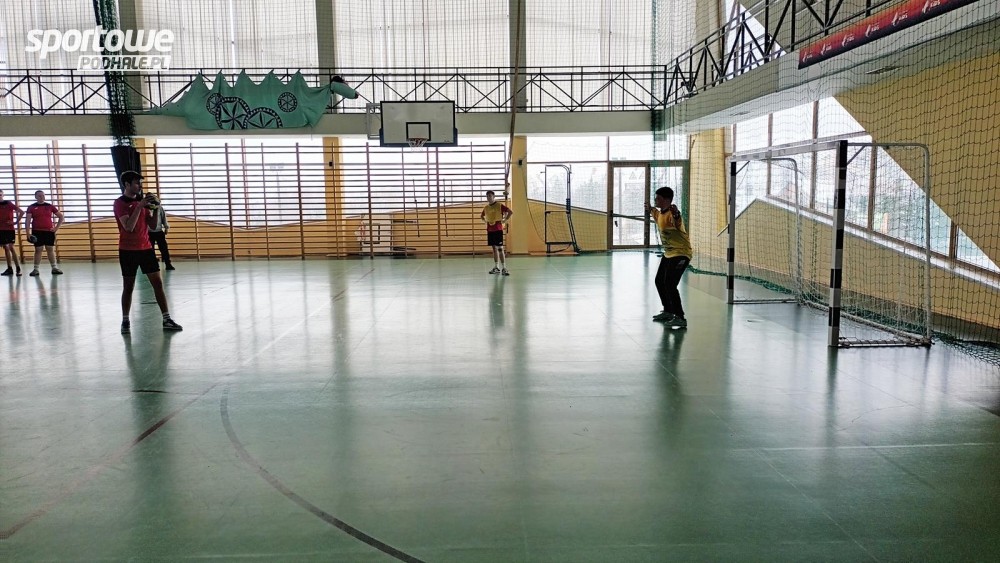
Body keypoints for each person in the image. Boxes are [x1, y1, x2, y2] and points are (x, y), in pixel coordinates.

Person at [115, 171, 183, 334]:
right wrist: (139, 206)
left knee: (158, 284)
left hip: (145, 248)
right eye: (136, 183)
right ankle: (125, 320)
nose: (140, 186)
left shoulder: (141, 202)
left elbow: (152, 225)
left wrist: (156, 208)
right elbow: (129, 227)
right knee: (128, 286)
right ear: (127, 184)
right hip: (128, 250)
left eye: (140, 183)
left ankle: (166, 319)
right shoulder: (120, 203)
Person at [646, 186, 692, 327]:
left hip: (681, 253)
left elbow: (677, 219)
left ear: (666, 200)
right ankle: (668, 311)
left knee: (670, 284)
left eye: (658, 198)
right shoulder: (659, 214)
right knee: (659, 281)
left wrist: (676, 213)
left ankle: (680, 317)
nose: (656, 200)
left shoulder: (672, 215)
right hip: (669, 254)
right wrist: (649, 208)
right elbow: (654, 212)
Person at [24, 189, 64, 276]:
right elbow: (27, 221)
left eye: (43, 195)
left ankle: (54, 268)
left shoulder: (50, 206)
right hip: (37, 232)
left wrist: (56, 228)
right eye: (39, 196)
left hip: (49, 231)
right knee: (38, 250)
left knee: (50, 249)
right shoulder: (31, 207)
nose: (42, 197)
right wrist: (28, 233)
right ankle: (36, 269)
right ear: (36, 197)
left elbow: (61, 217)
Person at [480, 190, 512, 275]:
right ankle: (496, 267)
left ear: (494, 197)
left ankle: (504, 268)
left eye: (490, 196)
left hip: (498, 230)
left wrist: (505, 219)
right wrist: (485, 221)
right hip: (490, 230)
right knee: (494, 249)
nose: (488, 197)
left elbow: (510, 212)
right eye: (487, 196)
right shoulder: (486, 208)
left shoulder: (499, 205)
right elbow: (481, 216)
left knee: (500, 248)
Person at [0, 189, 25, 276]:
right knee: (6, 248)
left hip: (9, 229)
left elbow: (22, 212)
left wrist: (15, 222)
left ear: (3, 195)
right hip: (1, 230)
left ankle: (18, 268)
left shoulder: (8, 203)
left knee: (11, 247)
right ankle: (9, 268)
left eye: (0, 194)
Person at [147, 195, 174, 270]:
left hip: (159, 231)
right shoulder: (145, 208)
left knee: (164, 249)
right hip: (148, 232)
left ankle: (168, 264)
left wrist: (166, 227)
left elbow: (163, 218)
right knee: (150, 250)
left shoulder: (159, 208)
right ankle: (153, 265)